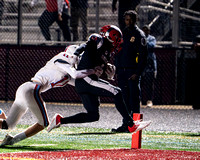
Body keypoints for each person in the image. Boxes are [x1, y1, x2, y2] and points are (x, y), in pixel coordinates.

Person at [47, 25, 151, 133]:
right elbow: (83, 46)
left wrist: (106, 68)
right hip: (85, 79)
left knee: (93, 115)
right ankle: (130, 124)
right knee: (116, 92)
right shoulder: (98, 40)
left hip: (86, 82)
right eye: (117, 40)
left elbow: (97, 66)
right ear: (110, 37)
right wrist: (75, 54)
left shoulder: (106, 52)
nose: (118, 43)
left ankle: (60, 120)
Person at [0, 45, 98, 146]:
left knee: (7, 124)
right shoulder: (63, 59)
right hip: (31, 89)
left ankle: (10, 140)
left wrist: (99, 75)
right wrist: (93, 71)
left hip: (26, 88)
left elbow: (80, 82)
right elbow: (76, 75)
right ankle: (12, 140)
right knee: (43, 123)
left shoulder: (65, 69)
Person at [113, 10, 148, 132]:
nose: (128, 22)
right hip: (122, 70)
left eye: (130, 19)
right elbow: (118, 52)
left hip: (132, 71)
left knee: (134, 98)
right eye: (126, 19)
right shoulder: (124, 33)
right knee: (124, 98)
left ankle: (136, 124)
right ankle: (126, 124)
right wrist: (117, 69)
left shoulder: (139, 35)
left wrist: (137, 73)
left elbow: (143, 56)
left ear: (135, 20)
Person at [141, 25, 157, 107]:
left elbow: (152, 46)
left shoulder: (152, 38)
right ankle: (139, 100)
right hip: (141, 62)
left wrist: (144, 43)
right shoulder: (139, 37)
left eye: (146, 30)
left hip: (150, 63)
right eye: (143, 30)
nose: (145, 32)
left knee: (149, 84)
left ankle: (149, 100)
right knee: (140, 82)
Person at [191, 35, 200, 109]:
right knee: (197, 84)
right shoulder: (197, 37)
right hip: (198, 63)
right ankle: (196, 104)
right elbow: (194, 47)